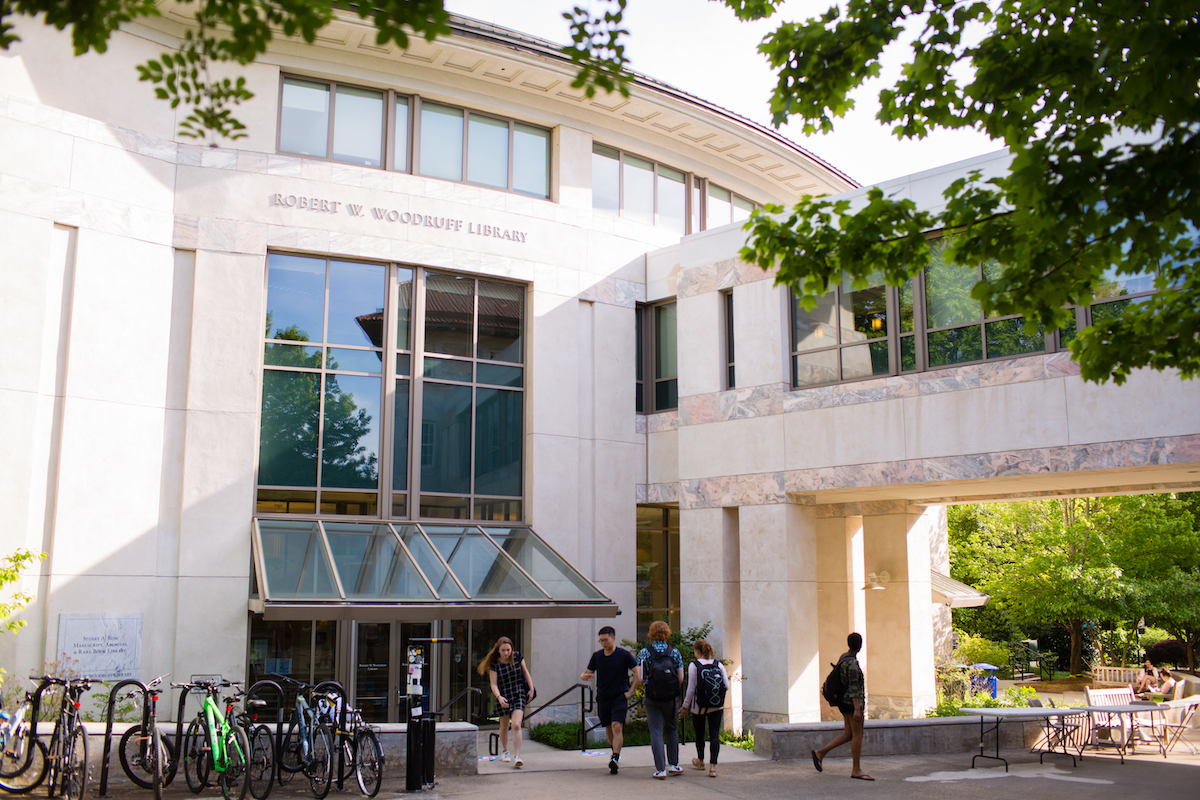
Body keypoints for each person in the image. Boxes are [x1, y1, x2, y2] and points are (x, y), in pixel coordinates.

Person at [812, 632, 873, 781]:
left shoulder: (844, 658)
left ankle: (820, 753)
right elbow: (853, 688)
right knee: (857, 735)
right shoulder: (851, 663)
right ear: (860, 645)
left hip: (844, 703)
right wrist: (857, 709)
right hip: (852, 705)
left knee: (848, 734)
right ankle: (856, 770)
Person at [581, 625, 639, 774]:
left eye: (606, 640)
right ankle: (614, 753)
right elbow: (586, 672)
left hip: (619, 696)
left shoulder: (623, 655)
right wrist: (584, 676)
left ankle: (615, 757)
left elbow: (638, 673)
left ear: (613, 638)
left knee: (617, 726)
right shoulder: (597, 656)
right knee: (608, 726)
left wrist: (630, 692)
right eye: (601, 641)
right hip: (603, 696)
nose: (603, 643)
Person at [635, 620, 685, 779]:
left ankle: (660, 769)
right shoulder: (674, 652)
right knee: (672, 729)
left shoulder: (644, 652)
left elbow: (641, 678)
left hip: (652, 697)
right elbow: (681, 678)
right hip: (670, 698)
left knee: (656, 731)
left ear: (651, 633)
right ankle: (674, 765)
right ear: (667, 633)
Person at [478, 636, 534, 768]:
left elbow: (525, 672)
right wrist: (498, 697)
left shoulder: (517, 657)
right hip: (503, 695)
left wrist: (531, 688)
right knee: (504, 725)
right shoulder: (495, 665)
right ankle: (505, 751)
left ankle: (517, 756)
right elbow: (494, 684)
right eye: (503, 650)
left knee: (516, 725)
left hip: (518, 692)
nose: (506, 653)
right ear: (498, 650)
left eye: (508, 650)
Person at [680, 638, 728, 778]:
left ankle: (700, 760)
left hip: (698, 707)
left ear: (697, 651)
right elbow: (726, 685)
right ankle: (713, 767)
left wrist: (685, 707)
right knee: (714, 735)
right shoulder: (718, 665)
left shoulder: (694, 665)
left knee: (699, 734)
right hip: (717, 706)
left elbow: (691, 688)